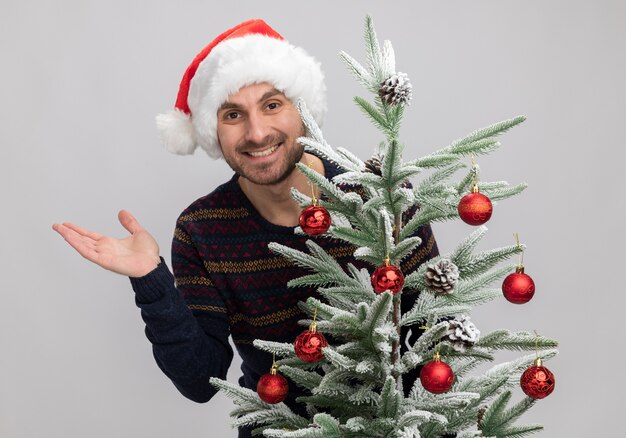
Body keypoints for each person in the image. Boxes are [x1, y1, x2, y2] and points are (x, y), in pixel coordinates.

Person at [52, 19, 439, 437]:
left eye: (272, 105)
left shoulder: (378, 196)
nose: (257, 133)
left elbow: (433, 337)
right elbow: (201, 381)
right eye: (233, 114)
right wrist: (151, 279)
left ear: (303, 111)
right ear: (213, 132)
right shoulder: (202, 230)